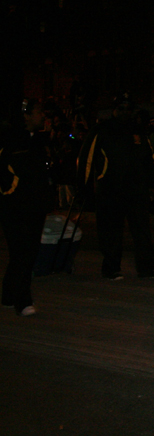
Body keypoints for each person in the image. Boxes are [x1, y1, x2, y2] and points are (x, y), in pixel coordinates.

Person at [77, 93, 154, 280]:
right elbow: (86, 159)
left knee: (141, 229)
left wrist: (152, 184)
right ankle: (111, 268)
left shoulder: (138, 131)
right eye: (121, 108)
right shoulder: (102, 130)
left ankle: (147, 268)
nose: (125, 112)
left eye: (128, 109)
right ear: (114, 110)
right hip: (110, 188)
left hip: (136, 189)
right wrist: (83, 187)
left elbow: (149, 159)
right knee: (111, 231)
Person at [1, 99, 53, 316]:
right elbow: (4, 175)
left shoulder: (39, 142)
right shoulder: (11, 141)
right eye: (39, 112)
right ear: (26, 115)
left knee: (27, 253)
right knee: (21, 253)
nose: (43, 116)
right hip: (16, 209)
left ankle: (8, 294)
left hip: (36, 208)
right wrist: (13, 196)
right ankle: (22, 301)